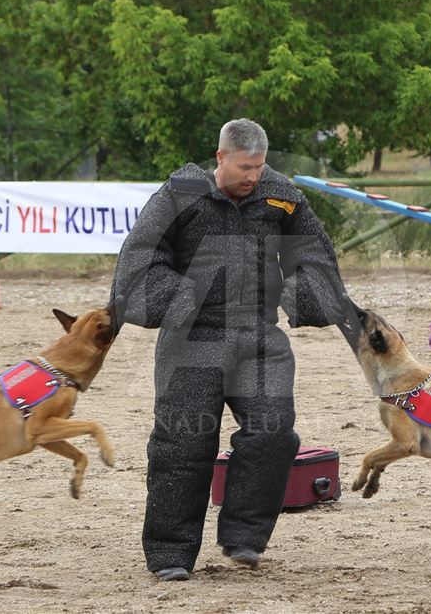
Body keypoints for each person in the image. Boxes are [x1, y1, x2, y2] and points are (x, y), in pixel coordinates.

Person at [110, 118, 352, 581]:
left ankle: (243, 537)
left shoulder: (281, 194)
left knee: (273, 433)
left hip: (260, 338)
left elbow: (315, 255)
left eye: (260, 167)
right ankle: (170, 555)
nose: (253, 177)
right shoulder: (179, 194)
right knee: (182, 444)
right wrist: (182, 298)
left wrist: (301, 291)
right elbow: (139, 257)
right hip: (192, 339)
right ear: (220, 157)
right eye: (244, 167)